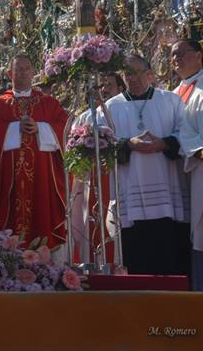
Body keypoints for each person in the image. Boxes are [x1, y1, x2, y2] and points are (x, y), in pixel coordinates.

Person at [104, 54, 190, 276]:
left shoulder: (170, 101)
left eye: (137, 73)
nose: (132, 78)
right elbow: (102, 143)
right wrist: (128, 144)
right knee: (135, 257)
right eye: (128, 74)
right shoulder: (111, 107)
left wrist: (165, 143)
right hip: (130, 188)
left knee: (168, 253)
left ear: (150, 74)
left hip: (166, 187)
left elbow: (186, 133)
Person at [0, 54, 68, 255]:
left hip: (41, 177)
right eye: (18, 69)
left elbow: (64, 128)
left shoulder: (48, 103)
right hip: (9, 179)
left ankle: (43, 256)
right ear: (9, 73)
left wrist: (40, 128)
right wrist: (13, 128)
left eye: (27, 68)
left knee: (41, 214)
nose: (23, 73)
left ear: (33, 72)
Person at [70, 71, 124, 265]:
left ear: (120, 88)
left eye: (109, 85)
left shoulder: (124, 112)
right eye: (100, 86)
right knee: (90, 224)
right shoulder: (84, 118)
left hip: (117, 179)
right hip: (91, 179)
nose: (104, 90)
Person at [170, 39, 203, 289]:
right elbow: (176, 130)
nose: (176, 59)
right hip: (179, 173)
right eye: (173, 55)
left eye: (181, 53)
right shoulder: (171, 95)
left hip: (201, 172)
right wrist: (196, 150)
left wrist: (197, 150)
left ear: (198, 55)